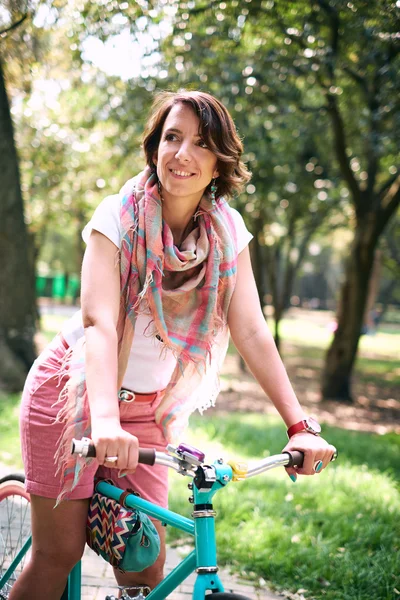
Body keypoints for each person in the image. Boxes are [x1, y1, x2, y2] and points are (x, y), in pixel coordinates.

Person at [14, 90, 336, 600]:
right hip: (71, 396)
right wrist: (104, 422)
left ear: (218, 164)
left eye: (201, 143)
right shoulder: (117, 217)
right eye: (172, 137)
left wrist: (299, 426)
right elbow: (101, 324)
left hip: (148, 411)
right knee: (60, 555)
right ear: (154, 147)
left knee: (145, 565)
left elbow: (251, 330)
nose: (182, 153)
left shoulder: (227, 233)